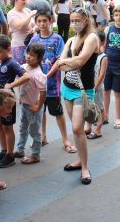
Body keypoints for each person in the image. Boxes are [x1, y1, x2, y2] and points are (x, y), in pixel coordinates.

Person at [56, 7, 100, 185]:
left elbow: (81, 61)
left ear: (86, 20)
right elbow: (61, 64)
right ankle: (79, 161)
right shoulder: (71, 40)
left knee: (76, 128)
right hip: (67, 88)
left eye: (77, 20)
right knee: (77, 129)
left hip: (83, 90)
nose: (74, 23)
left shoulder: (92, 38)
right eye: (72, 20)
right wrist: (67, 62)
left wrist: (67, 62)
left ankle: (85, 167)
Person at [27, 12, 77, 153]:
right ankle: (43, 137)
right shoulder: (34, 39)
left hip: (52, 86)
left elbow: (59, 60)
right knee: (40, 111)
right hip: (37, 86)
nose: (42, 24)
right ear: (36, 23)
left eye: (45, 21)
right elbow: (29, 57)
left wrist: (47, 75)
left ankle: (65, 139)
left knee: (57, 112)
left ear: (50, 21)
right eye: (39, 21)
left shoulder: (57, 39)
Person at [0, 34, 27, 169]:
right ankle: (3, 150)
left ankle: (10, 154)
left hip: (6, 101)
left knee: (8, 127)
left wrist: (11, 85)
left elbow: (26, 76)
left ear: (8, 49)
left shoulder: (12, 63)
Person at [6, 43, 46, 164]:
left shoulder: (38, 74)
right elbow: (17, 81)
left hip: (33, 107)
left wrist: (38, 106)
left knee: (34, 131)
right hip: (24, 105)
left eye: (32, 55)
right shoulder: (23, 67)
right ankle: (20, 149)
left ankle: (35, 154)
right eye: (28, 53)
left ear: (39, 58)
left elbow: (43, 92)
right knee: (22, 127)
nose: (28, 56)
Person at [85, 30, 107, 140]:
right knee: (90, 107)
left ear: (102, 42)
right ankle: (88, 127)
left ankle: (98, 130)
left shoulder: (103, 57)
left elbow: (102, 74)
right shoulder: (89, 55)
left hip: (97, 88)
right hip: (89, 86)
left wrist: (95, 87)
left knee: (99, 108)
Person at [7, 0, 36, 64]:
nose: (25, 2)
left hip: (31, 45)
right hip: (19, 46)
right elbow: (20, 26)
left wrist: (34, 29)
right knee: (20, 70)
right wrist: (30, 16)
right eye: (23, 0)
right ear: (16, 0)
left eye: (26, 0)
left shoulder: (27, 10)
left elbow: (36, 24)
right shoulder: (11, 13)